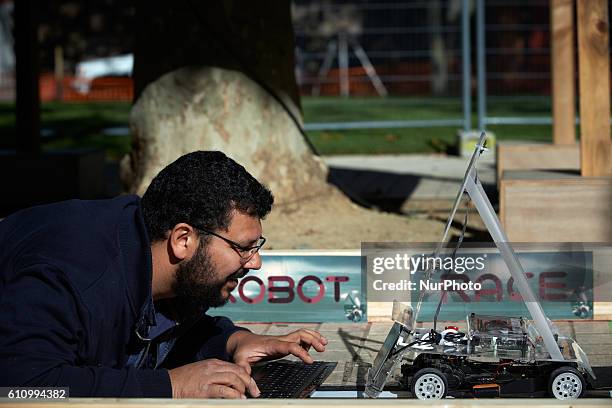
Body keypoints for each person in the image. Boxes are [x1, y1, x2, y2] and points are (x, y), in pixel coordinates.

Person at [0, 151, 328, 398]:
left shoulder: (156, 257)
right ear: (183, 239)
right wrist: (172, 385)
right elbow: (21, 386)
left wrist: (235, 342)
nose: (254, 263)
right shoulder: (71, 275)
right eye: (243, 247)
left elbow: (167, 329)